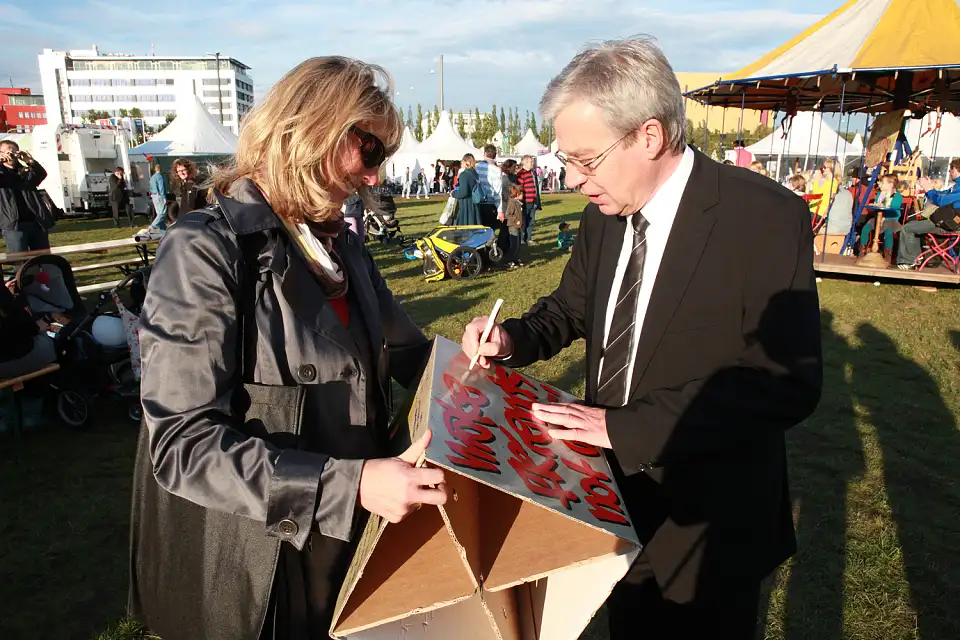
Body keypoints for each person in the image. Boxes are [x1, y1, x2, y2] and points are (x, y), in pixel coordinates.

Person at [460, 36, 822, 639]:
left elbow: (785, 384)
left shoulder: (762, 217)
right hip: (608, 503)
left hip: (707, 521)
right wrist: (512, 340)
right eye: (566, 160)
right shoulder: (603, 216)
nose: (573, 179)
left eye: (586, 160)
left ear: (648, 136)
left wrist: (620, 428)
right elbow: (571, 310)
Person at [128, 56, 448, 640]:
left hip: (352, 535)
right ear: (313, 129)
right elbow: (180, 444)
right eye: (370, 151)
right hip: (263, 560)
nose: (376, 177)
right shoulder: (206, 249)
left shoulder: (343, 248)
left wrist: (466, 358)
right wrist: (346, 487)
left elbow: (409, 354)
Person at [896, 159, 960, 269]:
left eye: (951, 170)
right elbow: (941, 194)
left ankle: (908, 260)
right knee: (913, 225)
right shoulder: (956, 186)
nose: (949, 172)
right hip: (948, 223)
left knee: (907, 228)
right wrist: (929, 188)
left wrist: (928, 189)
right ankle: (915, 258)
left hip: (950, 225)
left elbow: (940, 201)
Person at [0, 139, 52, 253]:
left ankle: (44, 271)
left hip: (36, 221)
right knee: (20, 260)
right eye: (7, 151)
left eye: (14, 151)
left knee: (44, 257)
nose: (11, 154)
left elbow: (41, 174)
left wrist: (30, 161)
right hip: (14, 225)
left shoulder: (25, 171)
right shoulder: (2, 173)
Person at [858, 174, 902, 263]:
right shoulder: (880, 194)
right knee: (866, 228)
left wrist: (883, 205)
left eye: (882, 183)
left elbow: (895, 205)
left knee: (888, 231)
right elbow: (877, 204)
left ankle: (888, 254)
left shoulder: (897, 196)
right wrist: (874, 205)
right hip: (878, 218)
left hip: (891, 219)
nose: (880, 184)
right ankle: (862, 250)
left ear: (890, 184)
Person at [169, 158, 206, 224]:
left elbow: (190, 206)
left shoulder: (192, 185)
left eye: (183, 170)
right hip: (184, 221)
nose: (181, 173)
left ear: (189, 170)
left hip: (192, 222)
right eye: (179, 171)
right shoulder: (182, 185)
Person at [475, 144, 503, 230]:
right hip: (489, 203)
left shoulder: (476, 166)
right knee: (489, 230)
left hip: (476, 201)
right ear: (495, 156)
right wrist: (500, 210)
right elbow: (498, 191)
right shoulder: (496, 170)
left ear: (485, 154)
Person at [516, 155, 541, 244]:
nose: (532, 163)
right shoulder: (521, 174)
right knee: (523, 221)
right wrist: (520, 202)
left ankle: (529, 238)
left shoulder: (533, 173)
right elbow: (519, 189)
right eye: (531, 162)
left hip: (533, 200)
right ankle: (521, 239)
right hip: (525, 201)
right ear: (525, 163)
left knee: (531, 220)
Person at [453, 153, 482, 226]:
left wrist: (453, 193)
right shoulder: (475, 173)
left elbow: (464, 192)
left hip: (466, 205)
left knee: (465, 228)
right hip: (474, 203)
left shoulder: (464, 174)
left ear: (465, 162)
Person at [502, 183, 525, 268]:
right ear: (517, 194)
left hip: (518, 226)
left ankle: (515, 259)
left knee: (518, 245)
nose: (523, 195)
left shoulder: (518, 202)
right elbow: (508, 214)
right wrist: (516, 220)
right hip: (513, 226)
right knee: (514, 245)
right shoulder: (512, 203)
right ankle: (508, 260)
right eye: (522, 193)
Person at [148, 164, 168, 232]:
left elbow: (150, 187)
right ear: (160, 169)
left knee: (159, 214)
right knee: (162, 213)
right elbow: (161, 187)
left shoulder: (152, 177)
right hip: (159, 196)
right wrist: (164, 197)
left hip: (153, 196)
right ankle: (152, 226)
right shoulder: (160, 176)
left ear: (155, 169)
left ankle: (163, 230)